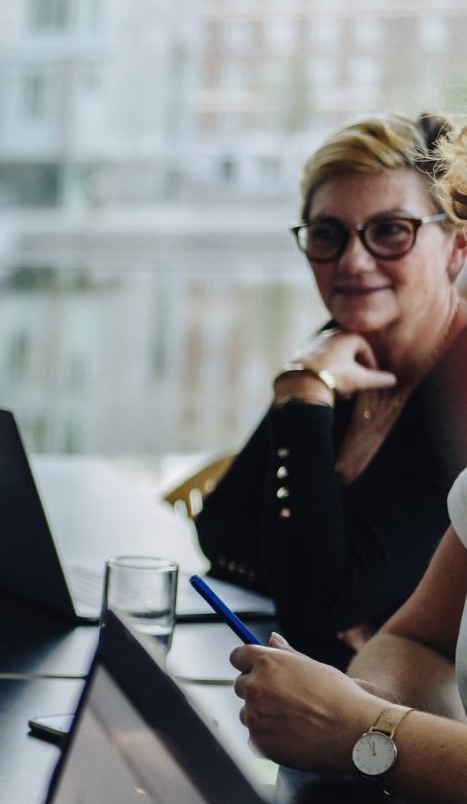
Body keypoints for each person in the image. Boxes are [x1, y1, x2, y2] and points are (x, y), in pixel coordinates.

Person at [196, 112, 467, 669]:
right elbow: (220, 527)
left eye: (391, 230)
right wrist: (339, 592)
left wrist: (302, 394)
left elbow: (313, 606)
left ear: (456, 250)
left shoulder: (458, 390)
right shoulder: (336, 352)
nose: (353, 261)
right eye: (328, 234)